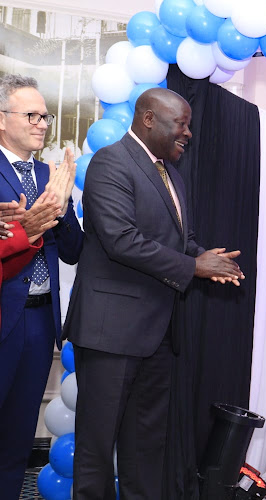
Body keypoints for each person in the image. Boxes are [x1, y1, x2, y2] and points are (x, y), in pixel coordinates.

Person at [64, 88, 244, 499]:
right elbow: (120, 240)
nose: (188, 134)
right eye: (180, 124)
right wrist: (193, 266)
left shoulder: (172, 175)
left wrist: (207, 258)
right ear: (148, 119)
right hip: (111, 335)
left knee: (145, 450)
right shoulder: (111, 162)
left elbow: (182, 240)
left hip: (159, 335)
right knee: (96, 450)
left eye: (189, 126)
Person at [0, 74, 82, 499]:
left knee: (17, 436)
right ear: (2, 118)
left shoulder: (53, 175)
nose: (42, 124)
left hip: (40, 321)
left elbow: (73, 252)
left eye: (45, 116)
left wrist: (64, 209)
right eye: (31, 115)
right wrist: (24, 226)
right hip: (3, 314)